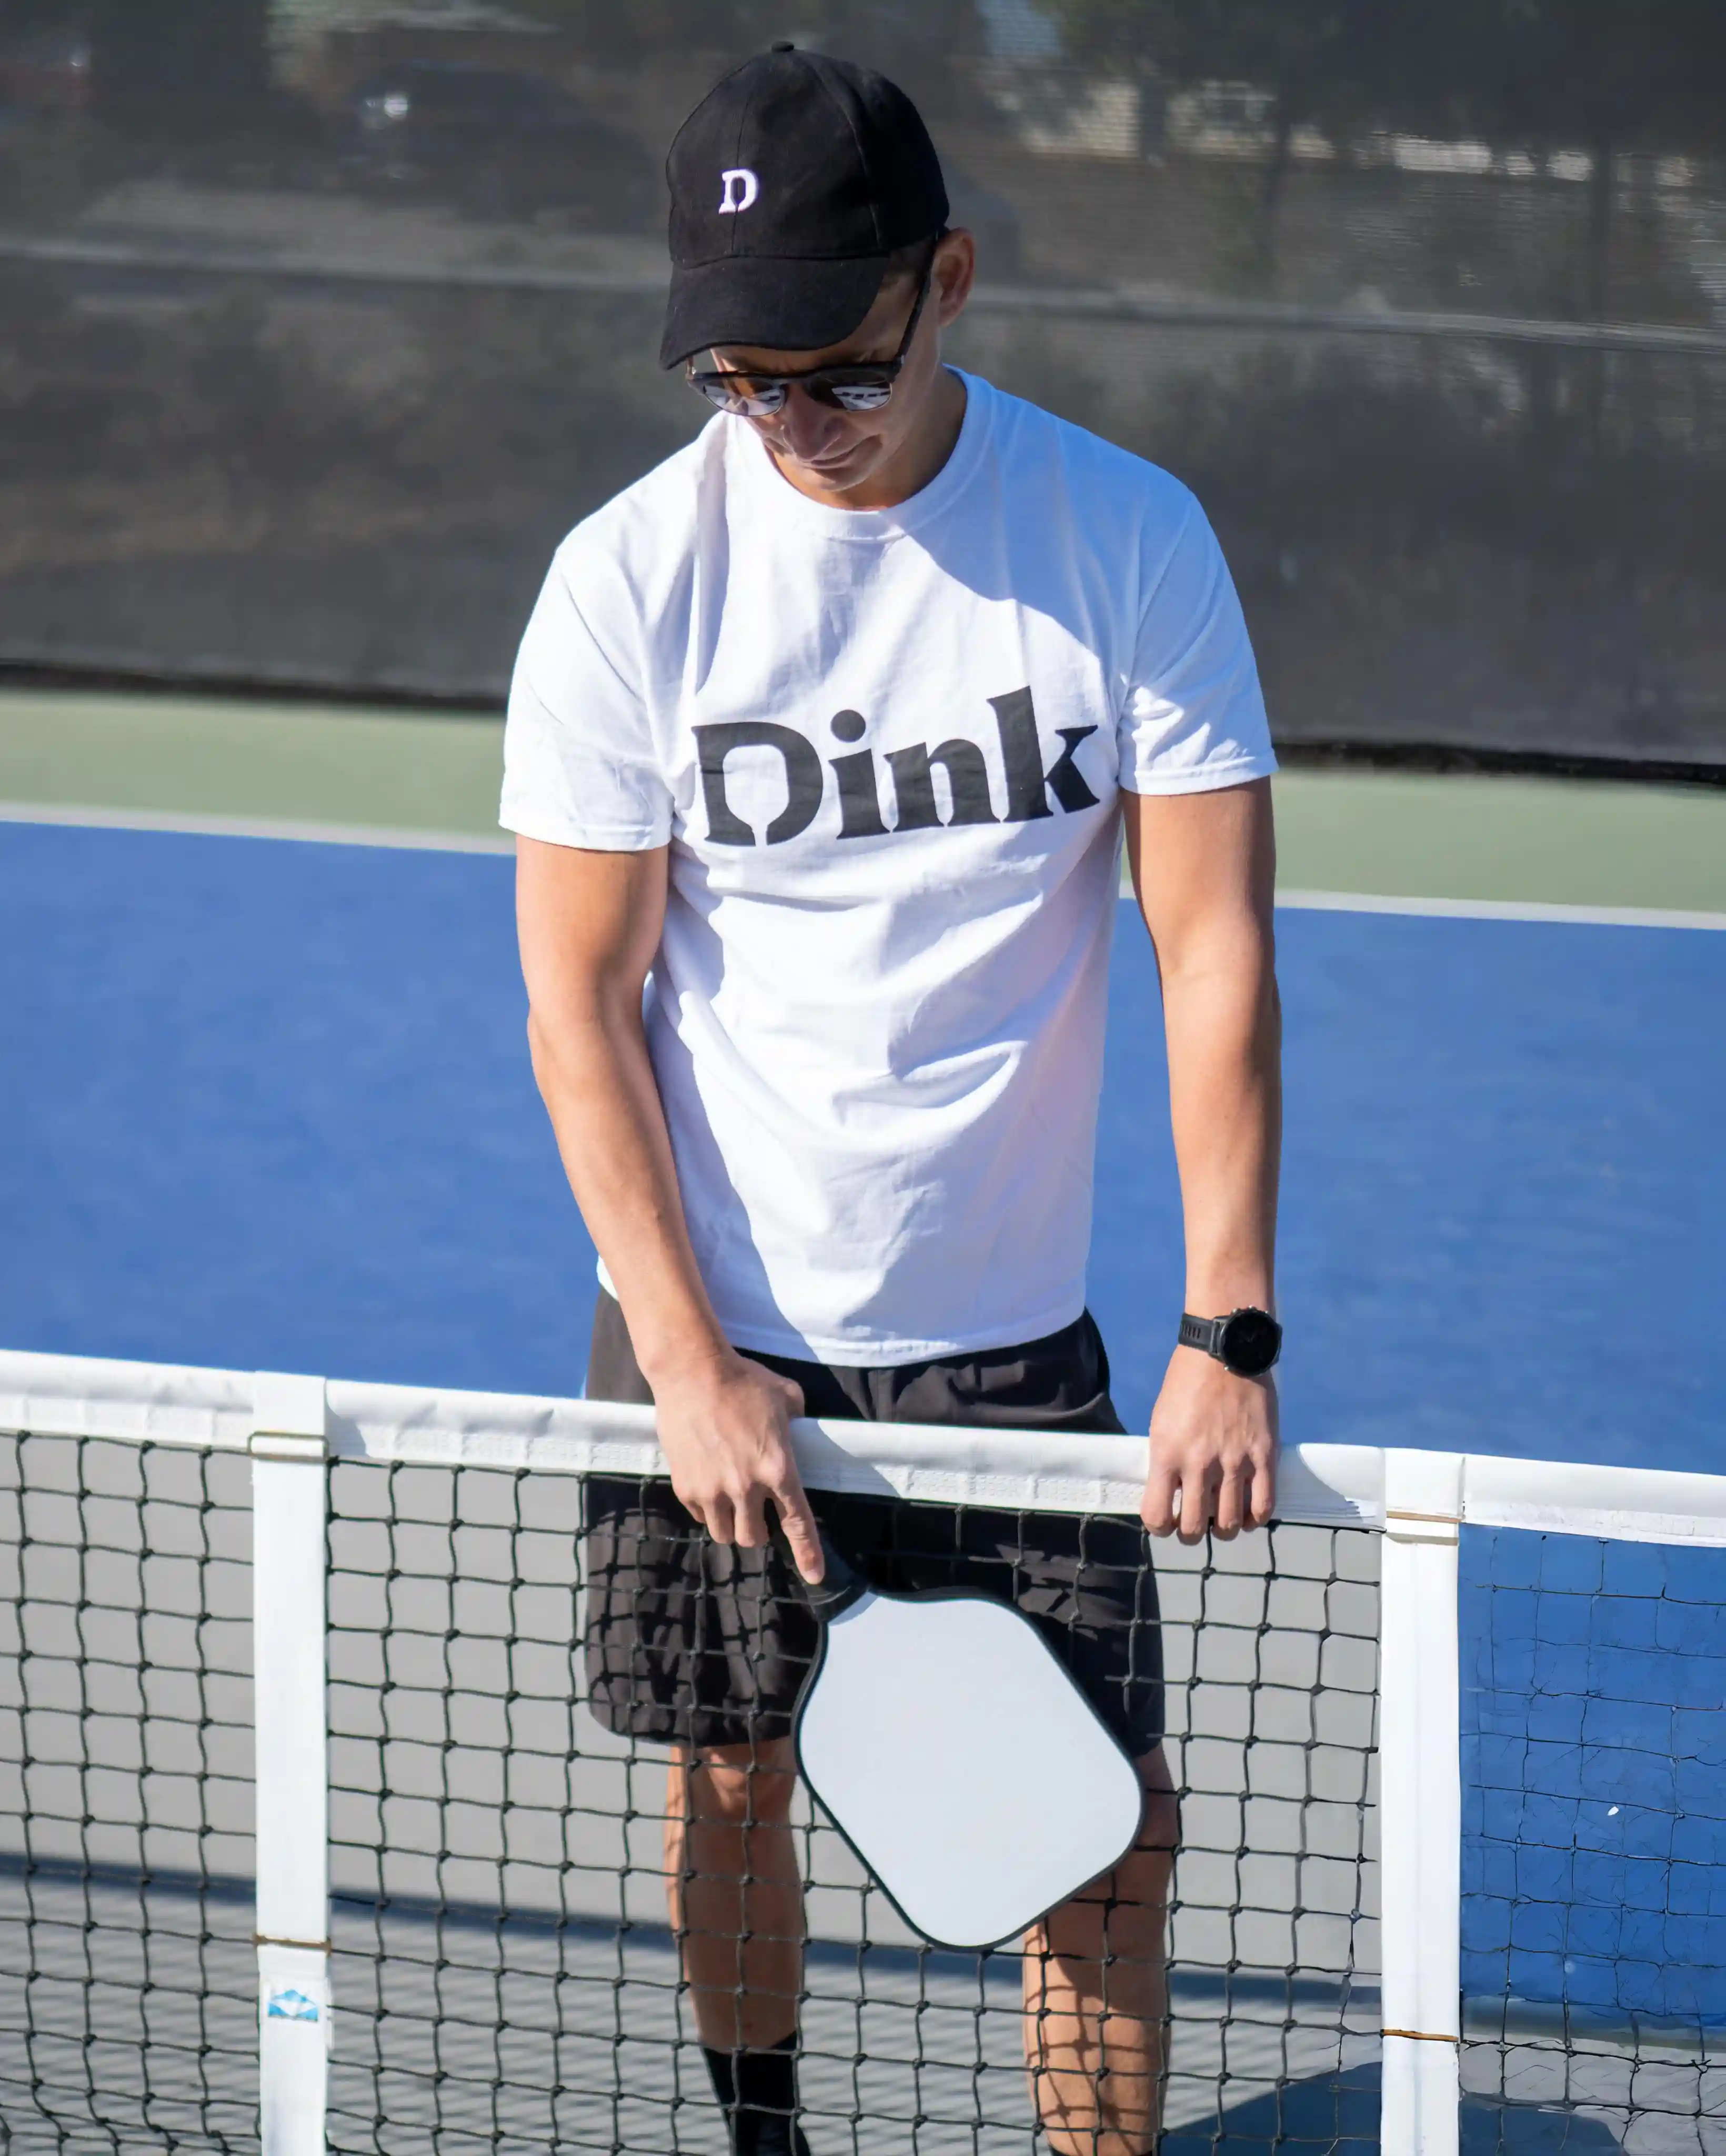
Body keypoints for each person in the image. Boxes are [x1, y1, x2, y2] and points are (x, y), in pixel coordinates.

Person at [502, 43, 1283, 2156]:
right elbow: (577, 1002)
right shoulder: (627, 584)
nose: (789, 424)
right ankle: (765, 2140)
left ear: (946, 285)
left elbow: (1207, 943)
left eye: (831, 373)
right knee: (728, 1776)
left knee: (1105, 1850)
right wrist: (683, 1363)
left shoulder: (1121, 541)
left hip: (1016, 1357)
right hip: (710, 1333)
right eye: (736, 381)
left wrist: (1226, 1326)